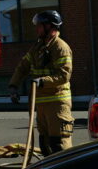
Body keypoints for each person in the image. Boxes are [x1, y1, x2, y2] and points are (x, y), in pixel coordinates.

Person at [9, 10, 73, 156]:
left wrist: (42, 81)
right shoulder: (38, 48)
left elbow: (64, 75)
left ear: (49, 26)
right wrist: (13, 86)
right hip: (41, 104)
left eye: (39, 25)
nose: (36, 29)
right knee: (45, 145)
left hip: (57, 104)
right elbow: (23, 67)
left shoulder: (60, 47)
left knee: (59, 144)